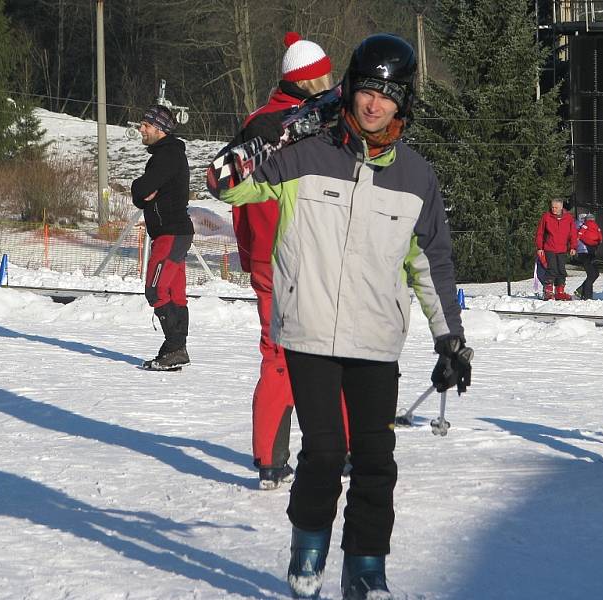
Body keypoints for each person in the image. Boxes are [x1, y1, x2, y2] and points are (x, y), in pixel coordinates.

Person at [209, 33, 472, 600]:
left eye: (389, 94)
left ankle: (367, 567)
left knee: (375, 460)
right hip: (309, 332)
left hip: (376, 340)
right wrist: (294, 121)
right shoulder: (304, 155)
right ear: (347, 92)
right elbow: (222, 181)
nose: (375, 104)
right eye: (366, 91)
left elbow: (432, 262)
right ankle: (308, 549)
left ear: (404, 103)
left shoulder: (417, 177)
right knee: (325, 453)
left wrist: (450, 339)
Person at [232, 31, 350, 490]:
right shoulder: (322, 124)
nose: (331, 80)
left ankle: (270, 459)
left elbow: (236, 197)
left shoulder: (255, 123)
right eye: (324, 73)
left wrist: (248, 254)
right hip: (313, 252)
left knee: (277, 355)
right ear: (307, 81)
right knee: (338, 349)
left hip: (266, 258)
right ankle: (343, 449)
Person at [131, 104, 195, 370]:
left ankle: (175, 347)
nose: (141, 129)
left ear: (159, 129)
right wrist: (143, 194)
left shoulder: (167, 155)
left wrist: (139, 189)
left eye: (146, 125)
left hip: (171, 232)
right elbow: (143, 195)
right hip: (174, 233)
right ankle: (174, 349)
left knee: (155, 290)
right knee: (174, 293)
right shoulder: (165, 154)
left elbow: (142, 188)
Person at [535, 197, 578, 301]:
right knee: (552, 269)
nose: (553, 209)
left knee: (561, 270)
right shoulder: (546, 217)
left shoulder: (568, 218)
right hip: (549, 248)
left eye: (556, 207)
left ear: (561, 207)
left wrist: (573, 246)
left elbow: (573, 233)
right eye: (552, 207)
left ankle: (560, 292)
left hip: (562, 249)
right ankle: (548, 291)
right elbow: (540, 233)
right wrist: (539, 247)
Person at [574, 213, 603, 300]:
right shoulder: (579, 225)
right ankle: (587, 297)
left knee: (595, 274)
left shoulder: (583, 225)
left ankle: (581, 290)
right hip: (584, 252)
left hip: (589, 252)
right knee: (592, 274)